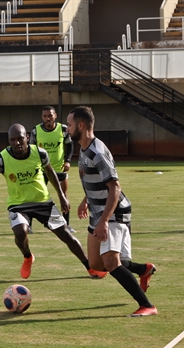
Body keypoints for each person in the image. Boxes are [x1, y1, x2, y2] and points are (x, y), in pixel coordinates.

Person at [0, 123, 108, 279]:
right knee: (20, 232)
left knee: (66, 235)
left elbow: (51, 173)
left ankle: (89, 267)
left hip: (43, 202)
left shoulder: (39, 153)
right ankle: (28, 257)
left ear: (27, 138)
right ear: (9, 141)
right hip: (18, 205)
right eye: (12, 140)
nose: (17, 143)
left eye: (20, 139)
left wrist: (61, 196)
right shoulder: (2, 159)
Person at [67, 106, 158, 317]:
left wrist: (104, 221)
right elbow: (98, 180)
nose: (67, 129)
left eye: (70, 125)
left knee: (110, 262)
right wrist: (86, 200)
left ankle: (147, 305)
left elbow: (114, 187)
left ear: (81, 125)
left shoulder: (97, 152)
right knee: (96, 264)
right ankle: (143, 269)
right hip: (97, 210)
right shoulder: (83, 148)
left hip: (114, 211)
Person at [29, 106, 76, 234]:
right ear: (42, 117)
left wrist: (68, 161)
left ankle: (66, 225)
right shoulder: (36, 131)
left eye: (50, 115)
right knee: (35, 196)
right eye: (45, 116)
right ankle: (28, 226)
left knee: (64, 196)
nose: (47, 118)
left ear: (55, 115)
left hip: (59, 169)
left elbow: (70, 145)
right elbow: (31, 150)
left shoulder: (63, 129)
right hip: (41, 170)